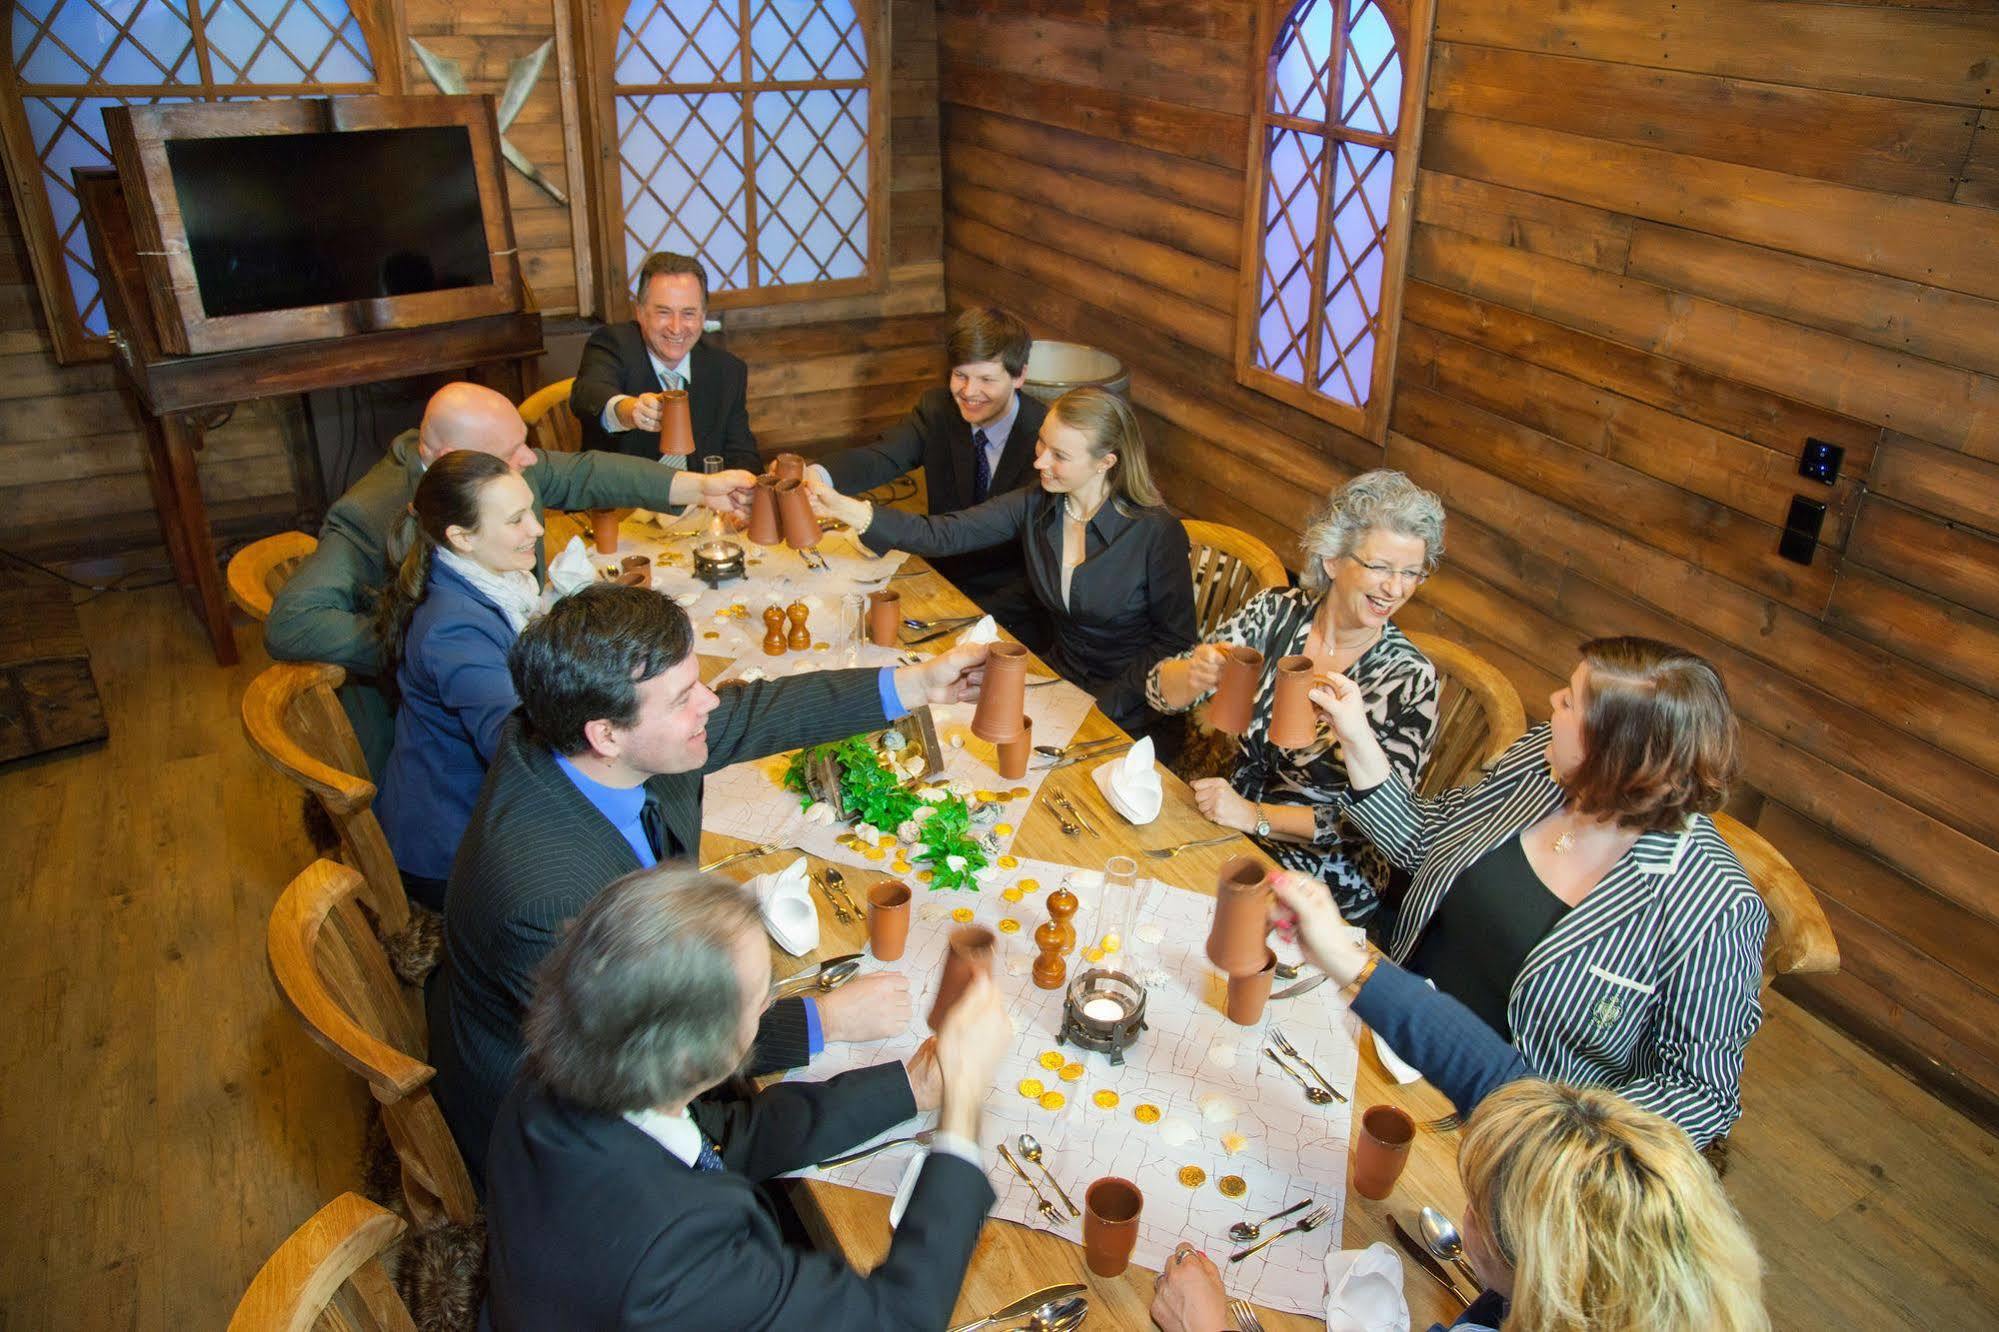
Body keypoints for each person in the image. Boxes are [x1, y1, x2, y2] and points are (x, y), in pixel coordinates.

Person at [428, 581, 991, 1180]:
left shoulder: (600, 737)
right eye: (683, 698)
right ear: (606, 734)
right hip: (558, 1146)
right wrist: (833, 1031)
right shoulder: (546, 899)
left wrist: (921, 684)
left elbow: (758, 713)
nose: (712, 703)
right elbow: (669, 1094)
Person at [1149, 870, 1770, 1332]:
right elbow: (1494, 1073)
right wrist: (1343, 957)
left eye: (1474, 1201)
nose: (1462, 1205)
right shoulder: (1646, 1271)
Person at [483, 865, 1013, 1328]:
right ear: (698, 1059)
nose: (769, 1010)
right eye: (763, 999)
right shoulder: (680, 1261)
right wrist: (962, 1111)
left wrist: (909, 1088)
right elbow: (897, 1320)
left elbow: (725, 1139)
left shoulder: (557, 1074)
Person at [1310, 635, 1768, 1147]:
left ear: (1615, 750)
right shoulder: (1541, 765)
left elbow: (1700, 1093)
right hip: (1384, 1035)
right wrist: (1355, 737)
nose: (1552, 701)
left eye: (1571, 702)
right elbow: (1425, 841)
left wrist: (1556, 1138)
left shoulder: (1713, 904)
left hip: (1503, 1136)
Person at [265, 381, 755, 776]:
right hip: (440, 744)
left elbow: (586, 473)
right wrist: (413, 638)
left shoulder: (500, 472)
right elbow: (293, 623)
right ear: (455, 460)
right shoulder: (369, 514)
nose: (532, 459)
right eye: (513, 451)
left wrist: (702, 487)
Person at [1146, 469, 1443, 926]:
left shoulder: (1406, 678)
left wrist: (1254, 815)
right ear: (1331, 561)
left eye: (1411, 573)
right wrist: (1194, 672)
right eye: (1380, 567)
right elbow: (1161, 695)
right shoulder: (1276, 610)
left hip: (1316, 879)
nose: (1396, 588)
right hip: (1212, 818)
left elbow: (1376, 821)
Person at [809, 386, 1195, 738]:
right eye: (1041, 444)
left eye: (1059, 456)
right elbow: (945, 533)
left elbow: (1174, 641)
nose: (1041, 462)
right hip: (1056, 681)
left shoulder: (1155, 532)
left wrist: (1103, 706)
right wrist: (848, 509)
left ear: (1105, 462)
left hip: (1129, 710)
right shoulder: (1037, 502)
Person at [806, 306, 1048, 634]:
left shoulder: (1044, 438)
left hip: (1012, 607)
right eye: (960, 375)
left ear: (1019, 375)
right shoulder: (938, 411)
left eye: (986, 380)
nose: (969, 392)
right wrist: (820, 475)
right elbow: (882, 456)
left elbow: (1038, 571)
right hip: (938, 577)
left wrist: (969, 617)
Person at [370, 452, 542, 911]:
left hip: (453, 809)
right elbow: (516, 746)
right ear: (462, 537)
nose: (537, 529)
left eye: (531, 510)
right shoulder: (454, 628)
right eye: (516, 520)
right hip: (449, 853)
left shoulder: (474, 583)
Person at [571, 251, 763, 472]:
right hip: (624, 502)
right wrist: (630, 410)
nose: (676, 327)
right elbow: (588, 394)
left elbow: (743, 455)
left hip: (701, 501)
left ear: (702, 317)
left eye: (688, 314)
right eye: (664, 312)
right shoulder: (613, 344)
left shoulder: (727, 370)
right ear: (641, 312)